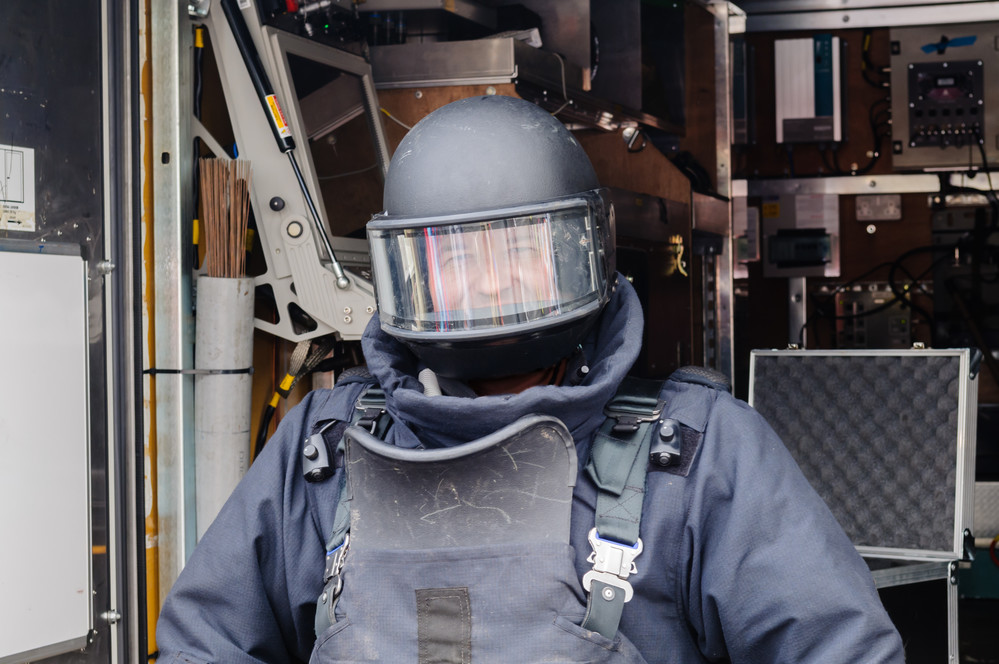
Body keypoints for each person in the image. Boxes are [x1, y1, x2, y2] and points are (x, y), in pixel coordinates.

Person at [157, 95, 905, 663]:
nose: (489, 289)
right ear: (404, 276)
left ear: (583, 253)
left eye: (518, 256)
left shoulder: (698, 455)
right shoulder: (323, 449)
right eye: (456, 263)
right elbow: (204, 641)